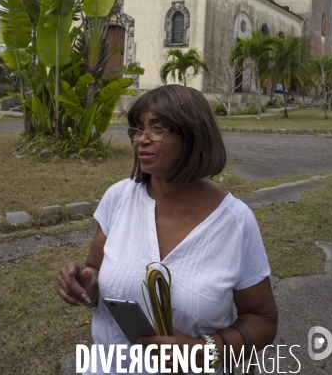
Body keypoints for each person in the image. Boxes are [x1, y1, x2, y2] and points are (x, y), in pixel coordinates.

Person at [57, 85, 278, 374]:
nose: (141, 140)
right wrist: (87, 283)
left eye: (157, 128)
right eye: (138, 129)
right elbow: (95, 271)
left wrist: (203, 351)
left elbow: (262, 320)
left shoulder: (235, 222)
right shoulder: (119, 198)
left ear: (192, 135)